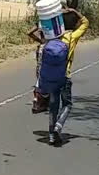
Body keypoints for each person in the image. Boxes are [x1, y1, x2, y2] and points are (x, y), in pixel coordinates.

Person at [41, 8, 89, 146]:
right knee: (67, 104)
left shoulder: (53, 37)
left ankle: (51, 135)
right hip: (64, 75)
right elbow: (85, 22)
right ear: (74, 25)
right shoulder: (72, 37)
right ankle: (58, 127)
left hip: (51, 77)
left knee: (53, 107)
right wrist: (74, 11)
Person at [27, 25, 49, 113]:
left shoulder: (40, 22)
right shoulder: (53, 21)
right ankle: (41, 101)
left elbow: (29, 32)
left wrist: (40, 41)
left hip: (41, 48)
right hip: (51, 48)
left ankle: (37, 99)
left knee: (40, 74)